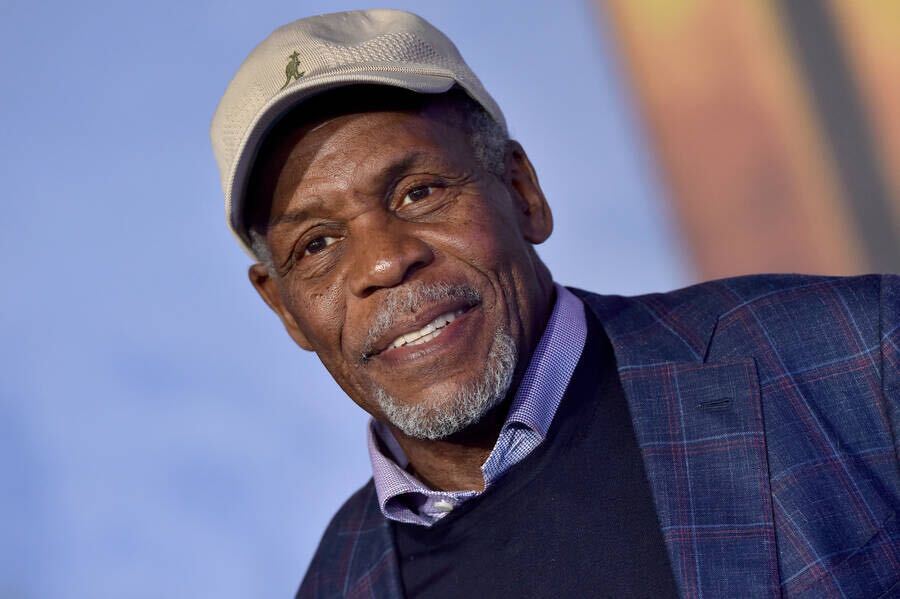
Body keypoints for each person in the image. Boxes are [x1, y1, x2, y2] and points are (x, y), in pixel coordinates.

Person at [210, 9, 900, 598]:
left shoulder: (854, 354)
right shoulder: (337, 583)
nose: (386, 261)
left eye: (417, 192)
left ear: (522, 191)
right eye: (319, 243)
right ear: (285, 309)